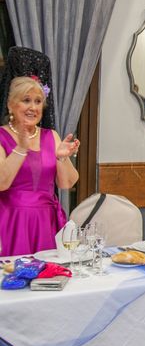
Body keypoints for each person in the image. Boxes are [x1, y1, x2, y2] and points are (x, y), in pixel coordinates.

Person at [0, 76, 80, 257]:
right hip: (12, 221)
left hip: (47, 221)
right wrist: (21, 148)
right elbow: (2, 183)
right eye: (26, 100)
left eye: (38, 101)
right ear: (11, 105)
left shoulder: (51, 135)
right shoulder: (1, 136)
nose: (33, 107)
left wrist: (62, 158)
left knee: (49, 277)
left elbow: (67, 183)